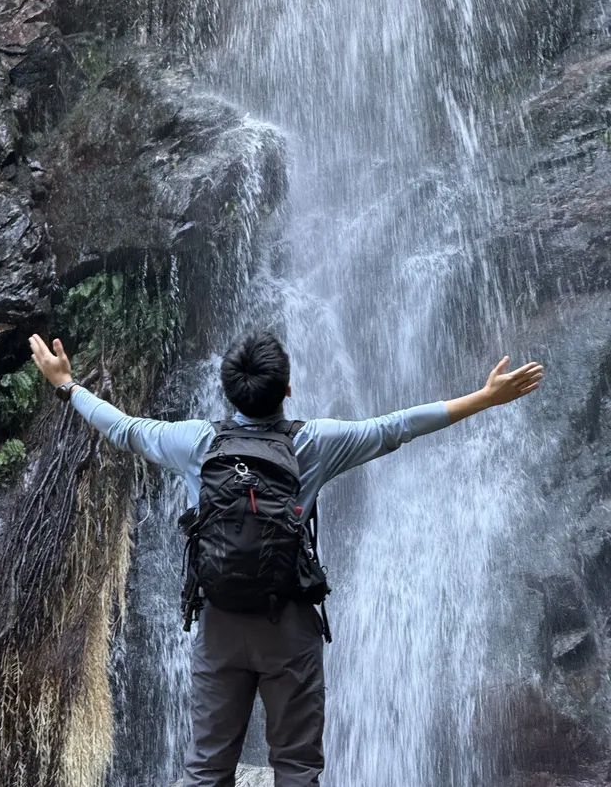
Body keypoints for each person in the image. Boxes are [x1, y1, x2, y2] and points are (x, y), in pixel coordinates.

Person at [28, 329, 543, 787]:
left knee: (206, 769)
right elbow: (396, 426)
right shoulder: (313, 443)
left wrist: (67, 385)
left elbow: (124, 427)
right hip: (289, 626)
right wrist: (483, 398)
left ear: (226, 391)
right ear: (288, 390)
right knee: (296, 768)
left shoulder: (196, 442)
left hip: (219, 625)